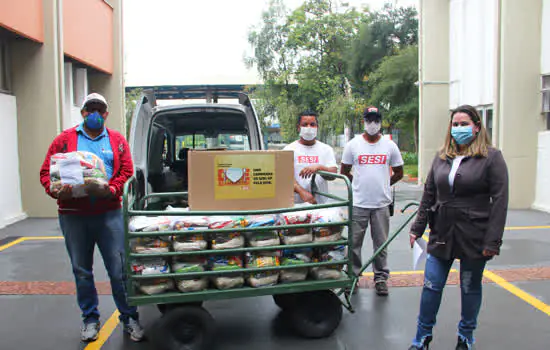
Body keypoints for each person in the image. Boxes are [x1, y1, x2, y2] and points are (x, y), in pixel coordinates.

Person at [39, 93, 144, 343]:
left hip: (108, 213)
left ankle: (129, 317)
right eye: (90, 109)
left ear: (106, 114)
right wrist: (55, 189)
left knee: (119, 270)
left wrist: (112, 189)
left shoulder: (116, 140)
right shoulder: (64, 140)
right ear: (83, 112)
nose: (95, 114)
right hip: (74, 215)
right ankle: (90, 319)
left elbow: (126, 171)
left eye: (100, 110)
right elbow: (47, 172)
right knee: (82, 271)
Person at [407, 105, 508, 350]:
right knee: (432, 285)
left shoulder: (492, 157)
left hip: (475, 235)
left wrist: (492, 241)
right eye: (455, 124)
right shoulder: (442, 156)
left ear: (476, 127)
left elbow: (500, 202)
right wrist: (417, 227)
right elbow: (429, 193)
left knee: (469, 287)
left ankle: (465, 337)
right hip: (442, 232)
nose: (458, 128)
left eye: (464, 124)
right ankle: (422, 336)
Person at [340, 106, 404, 296]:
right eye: (369, 120)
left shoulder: (389, 146)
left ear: (380, 122)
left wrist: (386, 183)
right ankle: (352, 276)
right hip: (359, 203)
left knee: (381, 244)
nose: (373, 124)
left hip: (381, 204)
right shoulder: (353, 145)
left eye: (376, 120)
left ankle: (381, 278)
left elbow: (399, 172)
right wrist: (357, 184)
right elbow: (344, 171)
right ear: (364, 122)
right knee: (354, 243)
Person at [283, 111, 338, 204]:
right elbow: (284, 176)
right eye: (305, 124)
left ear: (317, 127)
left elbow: (333, 174)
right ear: (298, 128)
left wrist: (319, 168)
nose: (309, 128)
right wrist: (301, 191)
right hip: (296, 206)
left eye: (312, 124)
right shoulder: (288, 150)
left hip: (320, 204)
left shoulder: (326, 149)